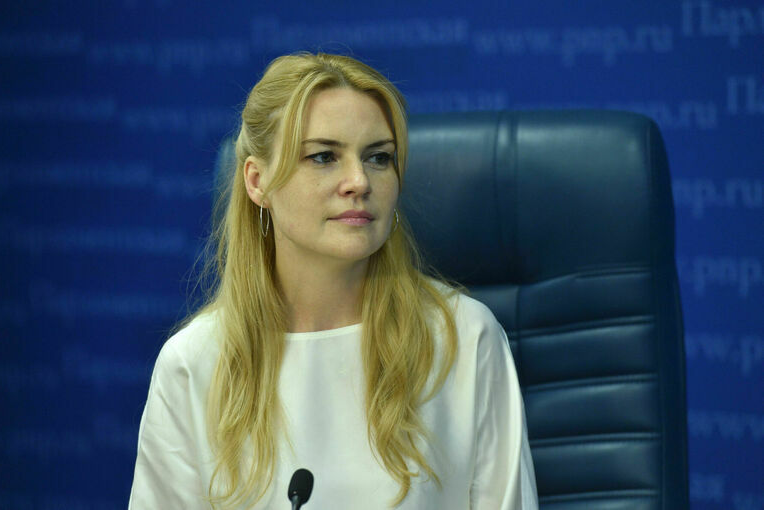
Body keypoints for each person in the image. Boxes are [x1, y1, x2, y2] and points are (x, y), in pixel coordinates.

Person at [128, 52, 538, 510]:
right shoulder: (193, 363)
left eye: (378, 158)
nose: (359, 181)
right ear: (258, 182)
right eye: (323, 157)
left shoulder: (464, 338)